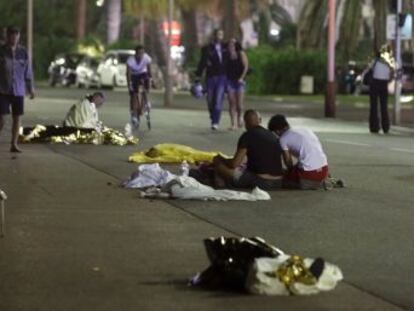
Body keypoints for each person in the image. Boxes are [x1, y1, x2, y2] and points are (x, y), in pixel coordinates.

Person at [213, 109, 283, 190]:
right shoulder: (272, 135)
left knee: (217, 162)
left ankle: (221, 185)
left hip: (261, 182)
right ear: (260, 120)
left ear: (245, 123)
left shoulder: (247, 136)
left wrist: (222, 159)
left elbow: (234, 164)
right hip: (278, 182)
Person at [268, 114, 328, 190]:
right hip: (324, 169)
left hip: (310, 174)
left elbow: (288, 162)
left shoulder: (283, 139)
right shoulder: (305, 129)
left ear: (277, 131)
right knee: (300, 165)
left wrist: (289, 172)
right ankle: (321, 181)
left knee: (283, 178)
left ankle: (311, 184)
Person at [0, 26, 35, 153]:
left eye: (16, 35)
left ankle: (13, 144)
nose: (14, 38)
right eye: (11, 35)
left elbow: (28, 72)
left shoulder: (23, 52)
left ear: (19, 36)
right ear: (7, 36)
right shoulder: (2, 51)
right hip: (2, 90)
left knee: (17, 118)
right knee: (2, 119)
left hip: (18, 90)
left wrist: (31, 89)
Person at [195, 29, 228, 130]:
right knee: (210, 99)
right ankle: (213, 114)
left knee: (218, 99)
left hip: (222, 77)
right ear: (214, 36)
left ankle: (215, 122)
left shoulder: (225, 47)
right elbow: (202, 62)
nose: (220, 36)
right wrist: (198, 75)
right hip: (210, 77)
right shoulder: (207, 48)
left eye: (221, 34)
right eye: (218, 34)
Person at [368, 46, 394, 134]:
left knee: (374, 106)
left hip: (375, 83)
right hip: (384, 84)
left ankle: (374, 126)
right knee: (384, 106)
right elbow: (392, 73)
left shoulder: (376, 61)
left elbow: (370, 69)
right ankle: (385, 126)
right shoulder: (389, 62)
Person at [126, 45, 152, 129]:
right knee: (134, 94)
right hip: (133, 76)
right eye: (139, 53)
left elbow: (149, 70)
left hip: (142, 74)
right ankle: (134, 113)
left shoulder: (146, 58)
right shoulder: (130, 60)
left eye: (142, 53)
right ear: (135, 54)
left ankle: (146, 103)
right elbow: (128, 74)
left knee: (146, 82)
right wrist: (129, 84)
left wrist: (150, 80)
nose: (140, 55)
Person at [226, 38, 248, 130]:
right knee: (232, 102)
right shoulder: (227, 55)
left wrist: (241, 78)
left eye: (233, 44)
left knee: (239, 104)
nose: (231, 46)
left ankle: (240, 119)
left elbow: (246, 66)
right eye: (230, 44)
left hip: (239, 81)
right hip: (230, 81)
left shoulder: (241, 54)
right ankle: (233, 123)